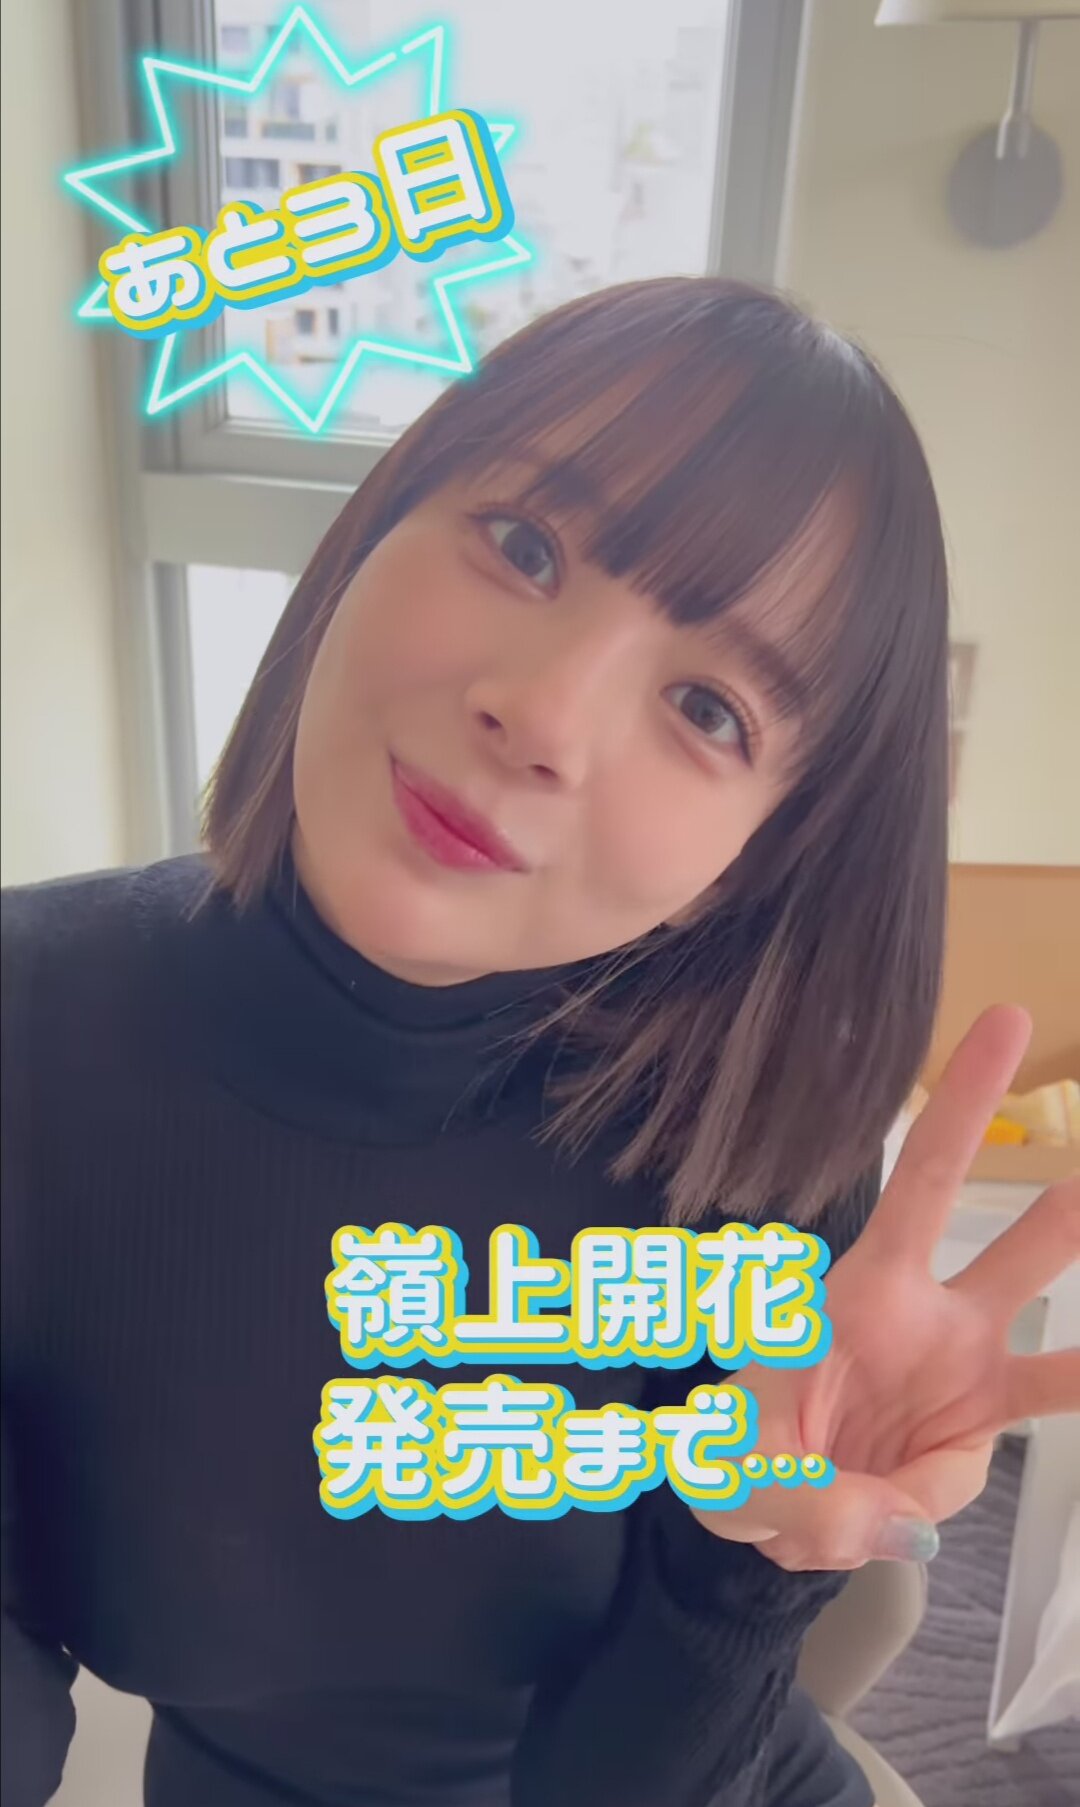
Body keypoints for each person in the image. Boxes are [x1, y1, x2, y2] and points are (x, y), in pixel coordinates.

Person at [2, 276, 1076, 1807]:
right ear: (378, 521)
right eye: (524, 545)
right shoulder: (33, 1041)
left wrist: (751, 1561)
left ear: (758, 856)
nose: (545, 714)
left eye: (708, 707)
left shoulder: (746, 1151)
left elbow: (632, 1773)